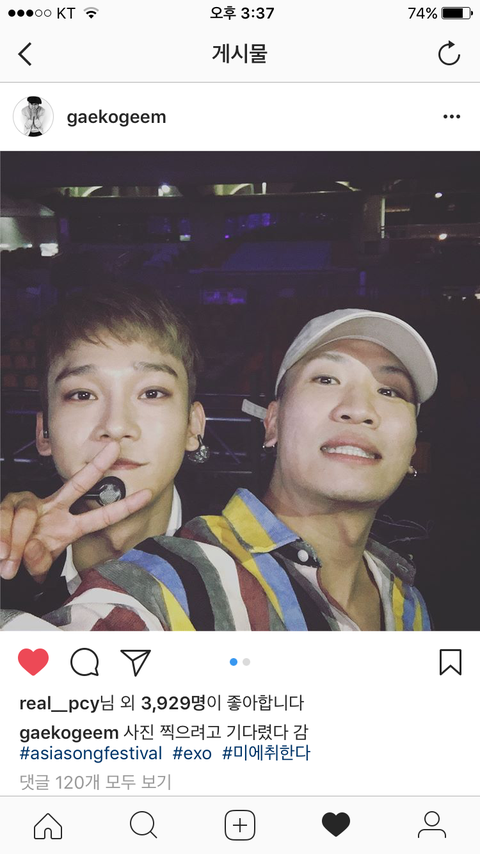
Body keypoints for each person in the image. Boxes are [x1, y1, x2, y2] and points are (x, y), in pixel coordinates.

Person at [174, 308, 438, 631]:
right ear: (273, 423)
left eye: (390, 391)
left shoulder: (409, 606)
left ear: (412, 450)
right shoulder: (182, 580)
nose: (358, 409)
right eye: (326, 379)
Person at [0, 285, 208, 630]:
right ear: (43, 432)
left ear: (192, 426)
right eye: (82, 394)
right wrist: (14, 577)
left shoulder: (244, 560)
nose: (115, 426)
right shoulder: (11, 549)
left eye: (151, 392)